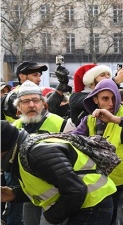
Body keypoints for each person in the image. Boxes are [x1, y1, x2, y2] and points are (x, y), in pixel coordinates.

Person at [72, 78, 123, 224]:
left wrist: (117, 120)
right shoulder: (89, 120)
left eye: (114, 98)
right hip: (104, 184)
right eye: (105, 99)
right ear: (95, 99)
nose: (111, 103)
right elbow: (72, 141)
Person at [1, 120, 117, 225]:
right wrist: (13, 194)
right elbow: (50, 185)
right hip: (82, 205)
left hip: (92, 206)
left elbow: (76, 190)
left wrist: (50, 218)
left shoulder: (38, 155)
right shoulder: (23, 151)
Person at [9, 80, 76, 225]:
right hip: (31, 193)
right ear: (18, 107)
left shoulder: (62, 124)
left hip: (59, 195)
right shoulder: (13, 129)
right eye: (26, 101)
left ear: (44, 104)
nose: (32, 105)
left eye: (35, 100)